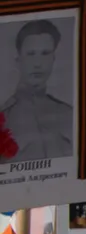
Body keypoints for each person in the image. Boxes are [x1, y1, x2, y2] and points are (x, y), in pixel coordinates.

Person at [1, 19, 73, 163]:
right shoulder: (4, 116)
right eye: (31, 54)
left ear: (53, 59)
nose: (38, 64)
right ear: (18, 60)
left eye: (45, 53)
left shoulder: (69, 114)